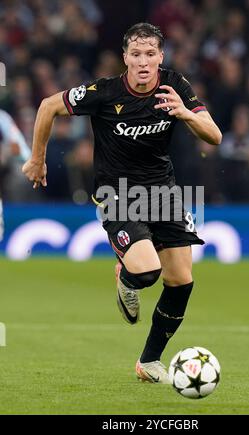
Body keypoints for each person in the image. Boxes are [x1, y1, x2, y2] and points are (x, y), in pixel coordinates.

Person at [22, 23, 222, 383]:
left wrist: (186, 113)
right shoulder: (104, 91)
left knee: (181, 281)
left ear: (160, 56)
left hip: (164, 193)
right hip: (118, 194)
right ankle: (128, 277)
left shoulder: (175, 85)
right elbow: (48, 105)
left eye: (150, 54)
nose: (143, 62)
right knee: (147, 272)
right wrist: (38, 159)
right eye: (136, 54)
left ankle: (148, 362)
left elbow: (215, 136)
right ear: (125, 57)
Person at [0, 109, 31, 241]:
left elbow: (23, 151)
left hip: (4, 172)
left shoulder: (2, 118)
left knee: (21, 176)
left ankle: (17, 215)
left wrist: (8, 151)